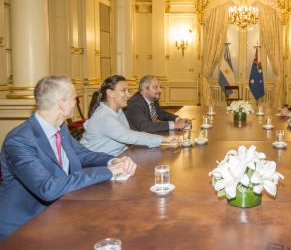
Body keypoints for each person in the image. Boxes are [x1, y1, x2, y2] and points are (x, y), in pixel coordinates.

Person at [0, 75, 137, 239]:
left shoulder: (60, 128)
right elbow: (48, 188)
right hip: (26, 225)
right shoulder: (19, 140)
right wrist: (108, 171)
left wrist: (113, 160)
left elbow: (83, 154)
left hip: (62, 210)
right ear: (61, 104)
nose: (76, 102)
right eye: (74, 99)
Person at [80, 75, 181, 156]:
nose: (128, 95)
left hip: (117, 156)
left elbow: (128, 136)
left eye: (128, 91)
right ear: (110, 93)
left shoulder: (118, 111)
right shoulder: (104, 117)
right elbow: (128, 136)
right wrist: (164, 139)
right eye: (124, 90)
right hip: (97, 165)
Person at [124, 75, 190, 133]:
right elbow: (144, 126)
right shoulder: (135, 104)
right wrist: (173, 125)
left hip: (149, 135)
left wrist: (178, 119)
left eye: (160, 87)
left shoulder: (152, 99)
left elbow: (160, 112)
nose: (160, 90)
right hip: (135, 144)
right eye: (155, 87)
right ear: (144, 89)